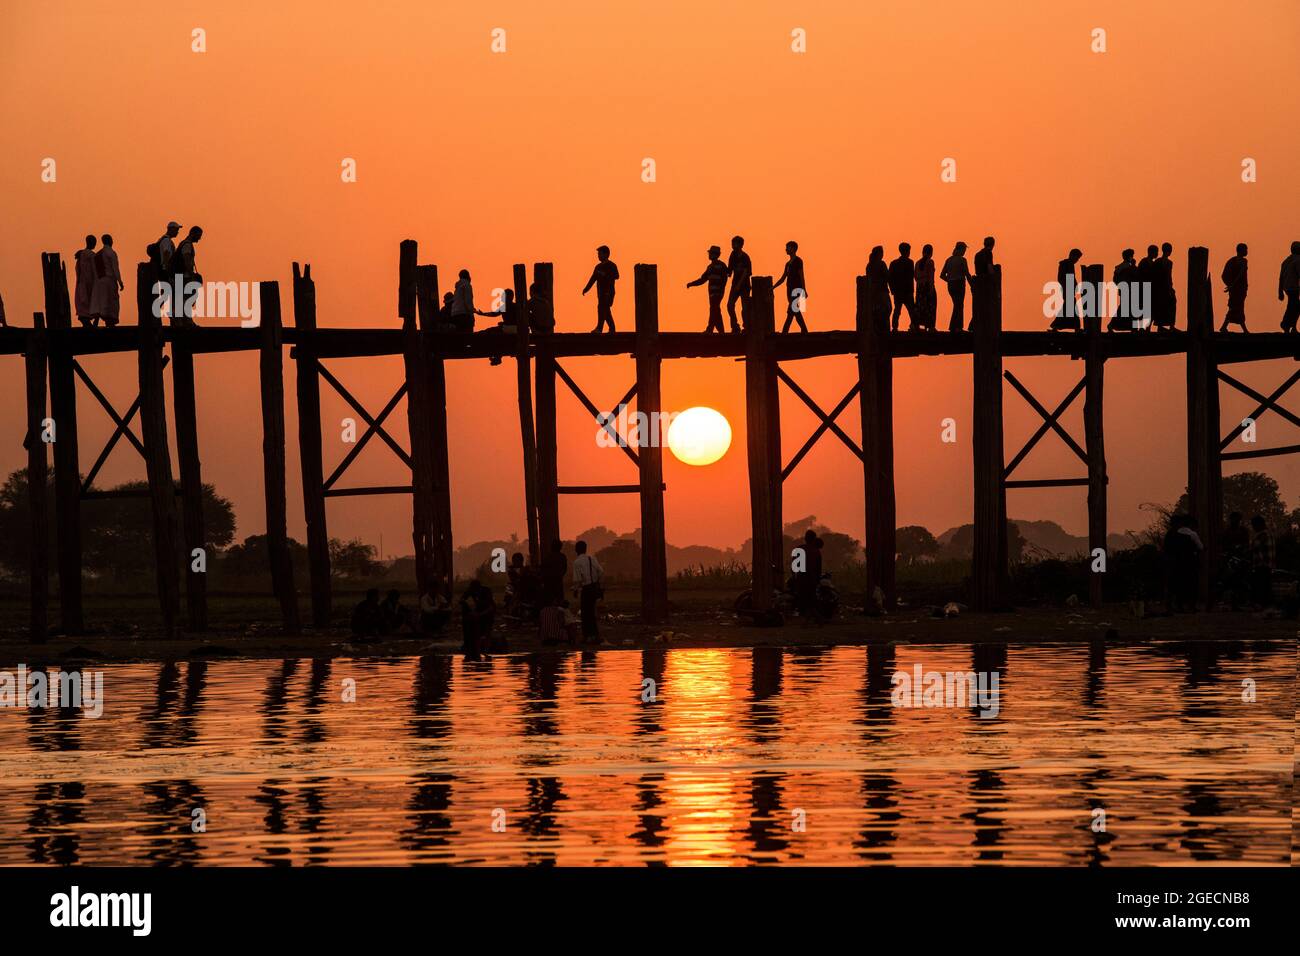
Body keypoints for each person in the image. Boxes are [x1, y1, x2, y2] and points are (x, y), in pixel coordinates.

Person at [687, 245, 730, 333]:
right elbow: (702, 279)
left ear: (715, 255)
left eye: (711, 253)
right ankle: (721, 331)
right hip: (711, 293)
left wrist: (721, 290)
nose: (709, 255)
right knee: (716, 311)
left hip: (718, 293)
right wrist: (692, 284)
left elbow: (725, 279)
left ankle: (709, 329)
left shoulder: (721, 265)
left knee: (713, 309)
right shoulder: (709, 268)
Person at [571, 540, 604, 644]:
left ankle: (587, 636)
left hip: (586, 589)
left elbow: (577, 579)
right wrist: (595, 581)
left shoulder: (577, 562)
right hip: (594, 587)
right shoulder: (592, 558)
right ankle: (594, 635)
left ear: (576, 550)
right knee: (591, 612)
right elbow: (601, 571)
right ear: (585, 549)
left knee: (585, 613)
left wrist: (576, 590)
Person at [89, 234, 123, 328]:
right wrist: (120, 282)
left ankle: (97, 321)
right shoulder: (111, 253)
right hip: (109, 280)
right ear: (110, 241)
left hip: (99, 281)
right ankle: (110, 322)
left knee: (100, 302)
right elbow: (115, 268)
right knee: (111, 302)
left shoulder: (97, 254)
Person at [582, 245, 619, 333]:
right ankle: (611, 328)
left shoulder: (612, 265)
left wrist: (605, 275)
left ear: (606, 254)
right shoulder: (597, 267)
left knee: (603, 308)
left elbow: (617, 276)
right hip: (601, 293)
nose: (598, 256)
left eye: (600, 254)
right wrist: (586, 289)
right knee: (604, 309)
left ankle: (600, 328)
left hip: (609, 292)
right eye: (598, 254)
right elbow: (592, 279)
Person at [774, 240, 808, 333]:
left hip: (797, 289)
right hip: (789, 289)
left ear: (794, 249)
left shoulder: (798, 261)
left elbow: (801, 275)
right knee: (795, 310)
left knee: (791, 310)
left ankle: (785, 331)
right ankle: (804, 330)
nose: (786, 249)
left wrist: (804, 290)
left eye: (788, 247)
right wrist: (773, 287)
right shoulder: (787, 264)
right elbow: (783, 278)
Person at [173, 226, 203, 327]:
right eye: (199, 236)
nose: (199, 238)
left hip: (181, 276)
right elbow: (186, 259)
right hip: (185, 277)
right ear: (193, 233)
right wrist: (191, 274)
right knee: (187, 299)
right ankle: (186, 321)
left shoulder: (183, 243)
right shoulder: (187, 245)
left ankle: (184, 321)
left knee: (183, 299)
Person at [1221, 511, 1250, 611]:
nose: (1236, 522)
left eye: (1237, 520)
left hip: (1240, 559)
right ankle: (1234, 603)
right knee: (1232, 582)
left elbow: (1246, 545)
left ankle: (1237, 602)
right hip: (1230, 559)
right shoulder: (1227, 531)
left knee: (1238, 582)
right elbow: (1223, 546)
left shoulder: (1243, 531)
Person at [940, 242, 972, 332]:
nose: (964, 252)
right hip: (959, 284)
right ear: (961, 249)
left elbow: (942, 275)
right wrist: (972, 285)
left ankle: (953, 326)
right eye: (964, 250)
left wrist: (950, 280)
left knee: (956, 305)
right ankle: (958, 327)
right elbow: (967, 274)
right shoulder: (962, 260)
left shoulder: (949, 260)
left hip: (950, 285)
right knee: (959, 305)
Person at [1050, 248, 1084, 331]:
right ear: (1072, 256)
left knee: (1069, 308)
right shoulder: (1065, 264)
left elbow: (1072, 278)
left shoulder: (1069, 264)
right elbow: (1061, 278)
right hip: (1067, 289)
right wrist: (1067, 286)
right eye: (1076, 258)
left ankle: (1073, 327)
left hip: (1069, 289)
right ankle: (1058, 325)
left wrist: (1075, 286)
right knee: (1069, 308)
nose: (1077, 260)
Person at [1220, 244, 1249, 332]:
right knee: (1236, 308)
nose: (1247, 251)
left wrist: (1230, 285)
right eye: (1245, 249)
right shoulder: (1244, 261)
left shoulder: (1231, 261)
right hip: (1239, 289)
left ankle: (1244, 329)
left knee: (1236, 308)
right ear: (1241, 250)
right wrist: (1232, 285)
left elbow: (1223, 276)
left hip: (1235, 289)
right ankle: (1224, 326)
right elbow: (1240, 275)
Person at [1109, 249, 1139, 331]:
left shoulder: (1122, 267)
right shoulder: (1124, 267)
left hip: (1128, 290)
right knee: (1124, 308)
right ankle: (1111, 325)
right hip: (1127, 290)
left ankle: (1133, 327)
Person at [887, 242, 915, 332]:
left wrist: (892, 290)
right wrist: (912, 290)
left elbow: (890, 278)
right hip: (907, 291)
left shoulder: (893, 263)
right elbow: (911, 277)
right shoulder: (910, 262)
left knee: (897, 310)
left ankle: (895, 327)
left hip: (897, 291)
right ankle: (914, 325)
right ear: (907, 251)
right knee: (911, 310)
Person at [726, 235, 752, 333]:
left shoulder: (745, 257)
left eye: (734, 243)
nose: (732, 245)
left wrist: (738, 285)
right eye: (732, 243)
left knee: (745, 308)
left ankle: (746, 327)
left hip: (744, 285)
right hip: (735, 284)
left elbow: (746, 273)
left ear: (740, 245)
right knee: (730, 305)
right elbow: (729, 272)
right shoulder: (732, 255)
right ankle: (735, 325)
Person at [1249, 515, 1274, 607]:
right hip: (1268, 565)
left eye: (1254, 525)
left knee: (1260, 587)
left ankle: (1260, 605)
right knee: (1266, 587)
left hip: (1261, 565)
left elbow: (1253, 549)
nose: (1253, 528)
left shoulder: (1261, 535)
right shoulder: (1269, 534)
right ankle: (1265, 606)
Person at [73, 235, 98, 327]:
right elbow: (96, 270)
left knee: (84, 302)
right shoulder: (92, 255)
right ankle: (91, 322)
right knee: (91, 301)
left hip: (82, 282)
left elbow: (77, 269)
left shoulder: (81, 254)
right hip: (90, 282)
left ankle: (88, 322)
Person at [866, 246, 892, 332]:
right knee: (887, 308)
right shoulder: (881, 264)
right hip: (882, 291)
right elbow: (887, 276)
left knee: (875, 310)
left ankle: (876, 327)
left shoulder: (869, 265)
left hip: (872, 292)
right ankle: (883, 327)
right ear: (879, 254)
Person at [1152, 242, 1176, 331]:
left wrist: (1170, 287)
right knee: (1162, 306)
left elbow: (1169, 277)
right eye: (1169, 250)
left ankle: (1170, 325)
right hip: (1161, 288)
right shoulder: (1159, 262)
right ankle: (1163, 325)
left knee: (1171, 304)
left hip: (1166, 287)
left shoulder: (1169, 263)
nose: (1170, 252)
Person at [1136, 245, 1159, 332]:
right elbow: (1140, 276)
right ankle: (1141, 327)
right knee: (1142, 309)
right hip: (1143, 288)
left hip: (1151, 289)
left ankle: (1147, 327)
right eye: (1156, 252)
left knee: (1151, 309)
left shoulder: (1153, 263)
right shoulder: (1144, 262)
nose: (1157, 254)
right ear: (1150, 252)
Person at [914, 244, 937, 330]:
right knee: (930, 306)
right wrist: (931, 289)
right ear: (931, 252)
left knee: (920, 306)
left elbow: (915, 277)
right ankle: (930, 326)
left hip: (920, 287)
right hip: (928, 286)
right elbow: (931, 277)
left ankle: (918, 324)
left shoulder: (917, 263)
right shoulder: (930, 262)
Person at [1279, 241, 1300, 333]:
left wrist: (1279, 291)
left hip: (1287, 287)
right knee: (1294, 306)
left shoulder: (1286, 261)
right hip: (1294, 287)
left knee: (1293, 306)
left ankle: (1290, 326)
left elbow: (1281, 277)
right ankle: (1286, 324)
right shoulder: (1298, 260)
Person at [540, 538, 567, 606]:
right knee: (559, 603)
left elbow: (542, 570)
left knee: (549, 603)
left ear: (551, 547)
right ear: (560, 547)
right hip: (558, 582)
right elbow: (564, 569)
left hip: (548, 583)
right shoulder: (562, 557)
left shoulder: (547, 557)